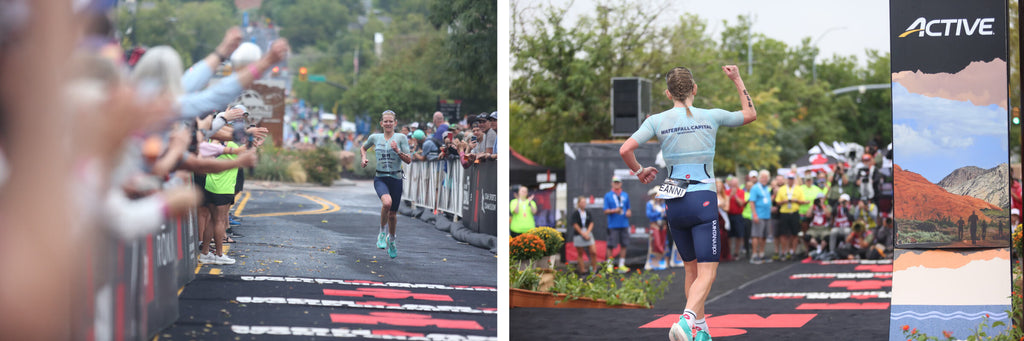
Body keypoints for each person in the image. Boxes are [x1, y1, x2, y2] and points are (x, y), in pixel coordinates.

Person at [618, 65, 756, 341]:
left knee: (691, 269)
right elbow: (750, 114)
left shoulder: (656, 120)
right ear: (695, 89)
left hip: (675, 200)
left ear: (668, 93)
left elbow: (625, 149)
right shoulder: (711, 116)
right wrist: (736, 79)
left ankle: (701, 330)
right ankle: (685, 320)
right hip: (702, 197)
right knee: (708, 272)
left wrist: (639, 171)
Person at [361, 110, 412, 258]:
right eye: (385, 121)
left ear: (395, 123)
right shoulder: (375, 138)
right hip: (381, 178)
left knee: (393, 215)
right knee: (387, 203)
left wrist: (397, 151)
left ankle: (392, 239)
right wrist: (363, 158)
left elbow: (408, 160)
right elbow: (363, 148)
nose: (388, 123)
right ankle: (382, 233)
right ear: (381, 123)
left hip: (396, 179)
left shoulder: (401, 138)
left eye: (391, 121)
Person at [603, 176, 631, 273]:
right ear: (612, 183)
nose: (616, 184)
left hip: (624, 223)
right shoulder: (608, 195)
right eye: (615, 182)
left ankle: (621, 265)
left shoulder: (625, 195)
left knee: (624, 245)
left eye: (618, 182)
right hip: (613, 225)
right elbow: (605, 211)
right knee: (610, 245)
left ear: (621, 183)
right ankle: (610, 265)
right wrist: (614, 210)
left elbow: (628, 209)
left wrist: (628, 212)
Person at [775, 173, 806, 261]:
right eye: (789, 179)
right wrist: (784, 201)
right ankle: (784, 252)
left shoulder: (798, 189)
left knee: (794, 233)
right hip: (784, 213)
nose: (790, 180)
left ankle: (793, 251)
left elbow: (802, 201)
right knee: (783, 233)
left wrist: (795, 200)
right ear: (786, 179)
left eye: (792, 179)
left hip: (794, 212)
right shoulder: (782, 189)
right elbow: (777, 202)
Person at [748, 170, 772, 264]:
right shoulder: (755, 187)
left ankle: (761, 254)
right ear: (759, 178)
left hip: (767, 215)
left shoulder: (766, 188)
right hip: (759, 215)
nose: (764, 179)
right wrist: (754, 214)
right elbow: (752, 201)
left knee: (764, 236)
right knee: (756, 235)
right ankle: (754, 255)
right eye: (762, 177)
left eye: (766, 178)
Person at [570, 196, 598, 274]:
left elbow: (591, 223)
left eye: (584, 202)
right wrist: (582, 234)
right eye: (582, 202)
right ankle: (582, 270)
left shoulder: (588, 212)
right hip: (578, 234)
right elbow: (575, 224)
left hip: (588, 233)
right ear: (578, 204)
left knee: (593, 252)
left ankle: (593, 268)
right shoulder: (575, 213)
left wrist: (587, 232)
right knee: (580, 253)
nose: (583, 204)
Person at [724, 176, 746, 261]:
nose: (734, 185)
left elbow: (741, 204)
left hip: (738, 215)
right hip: (728, 215)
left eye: (735, 183)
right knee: (729, 235)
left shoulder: (741, 192)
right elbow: (725, 203)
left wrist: (735, 196)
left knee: (739, 235)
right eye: (732, 183)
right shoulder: (726, 192)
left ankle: (736, 252)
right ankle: (729, 252)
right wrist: (730, 195)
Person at [646, 188, 668, 270]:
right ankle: (655, 262)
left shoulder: (664, 204)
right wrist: (660, 212)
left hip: (663, 225)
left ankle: (664, 261)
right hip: (655, 225)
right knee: (656, 243)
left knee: (664, 243)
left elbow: (667, 213)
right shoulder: (650, 204)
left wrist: (664, 213)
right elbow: (649, 215)